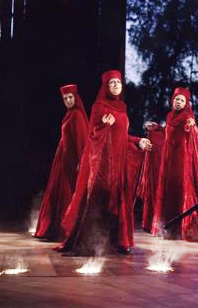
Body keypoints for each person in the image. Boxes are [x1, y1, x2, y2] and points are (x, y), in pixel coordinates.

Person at [55, 70, 151, 255]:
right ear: (106, 87)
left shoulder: (122, 107)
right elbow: (92, 135)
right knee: (99, 200)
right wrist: (104, 125)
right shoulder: (99, 106)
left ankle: (115, 242)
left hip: (119, 163)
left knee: (117, 199)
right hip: (103, 165)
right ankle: (91, 242)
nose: (115, 85)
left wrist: (138, 140)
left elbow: (122, 136)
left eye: (118, 82)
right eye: (111, 83)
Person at [150, 87, 198, 242]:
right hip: (169, 159)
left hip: (182, 159)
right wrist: (157, 128)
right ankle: (171, 228)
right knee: (170, 191)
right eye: (176, 99)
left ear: (186, 103)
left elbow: (192, 130)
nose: (178, 102)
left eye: (182, 100)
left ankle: (185, 228)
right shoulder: (170, 115)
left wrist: (191, 128)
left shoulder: (187, 116)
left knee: (181, 190)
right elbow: (167, 133)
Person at [34, 84, 89, 241]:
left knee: (66, 194)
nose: (68, 101)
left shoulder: (77, 115)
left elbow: (81, 140)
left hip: (71, 163)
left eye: (70, 97)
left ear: (76, 97)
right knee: (58, 193)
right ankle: (54, 229)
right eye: (65, 99)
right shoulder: (69, 114)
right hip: (62, 162)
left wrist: (81, 162)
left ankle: (64, 231)